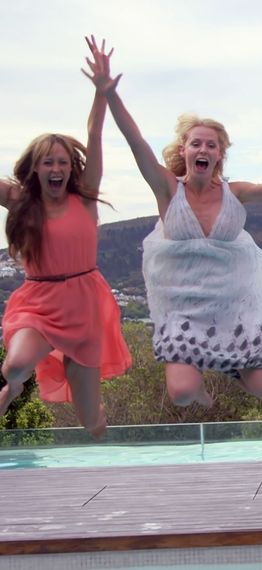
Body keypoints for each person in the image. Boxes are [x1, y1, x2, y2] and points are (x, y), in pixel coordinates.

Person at [98, 43, 262, 408]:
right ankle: (201, 383)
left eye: (212, 145)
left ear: (220, 154)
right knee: (184, 394)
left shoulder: (236, 192)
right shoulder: (169, 191)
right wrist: (110, 94)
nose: (203, 149)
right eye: (196, 143)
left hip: (233, 309)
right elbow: (136, 142)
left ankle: (229, 363)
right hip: (184, 311)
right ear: (184, 150)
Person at [0, 36, 131, 437]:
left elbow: (94, 136)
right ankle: (14, 387)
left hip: (84, 305)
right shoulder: (21, 201)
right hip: (38, 302)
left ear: (70, 168)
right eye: (47, 161)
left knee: (92, 424)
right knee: (16, 365)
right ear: (35, 168)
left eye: (61, 161)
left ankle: (96, 420)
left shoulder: (85, 197)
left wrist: (101, 93)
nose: (55, 167)